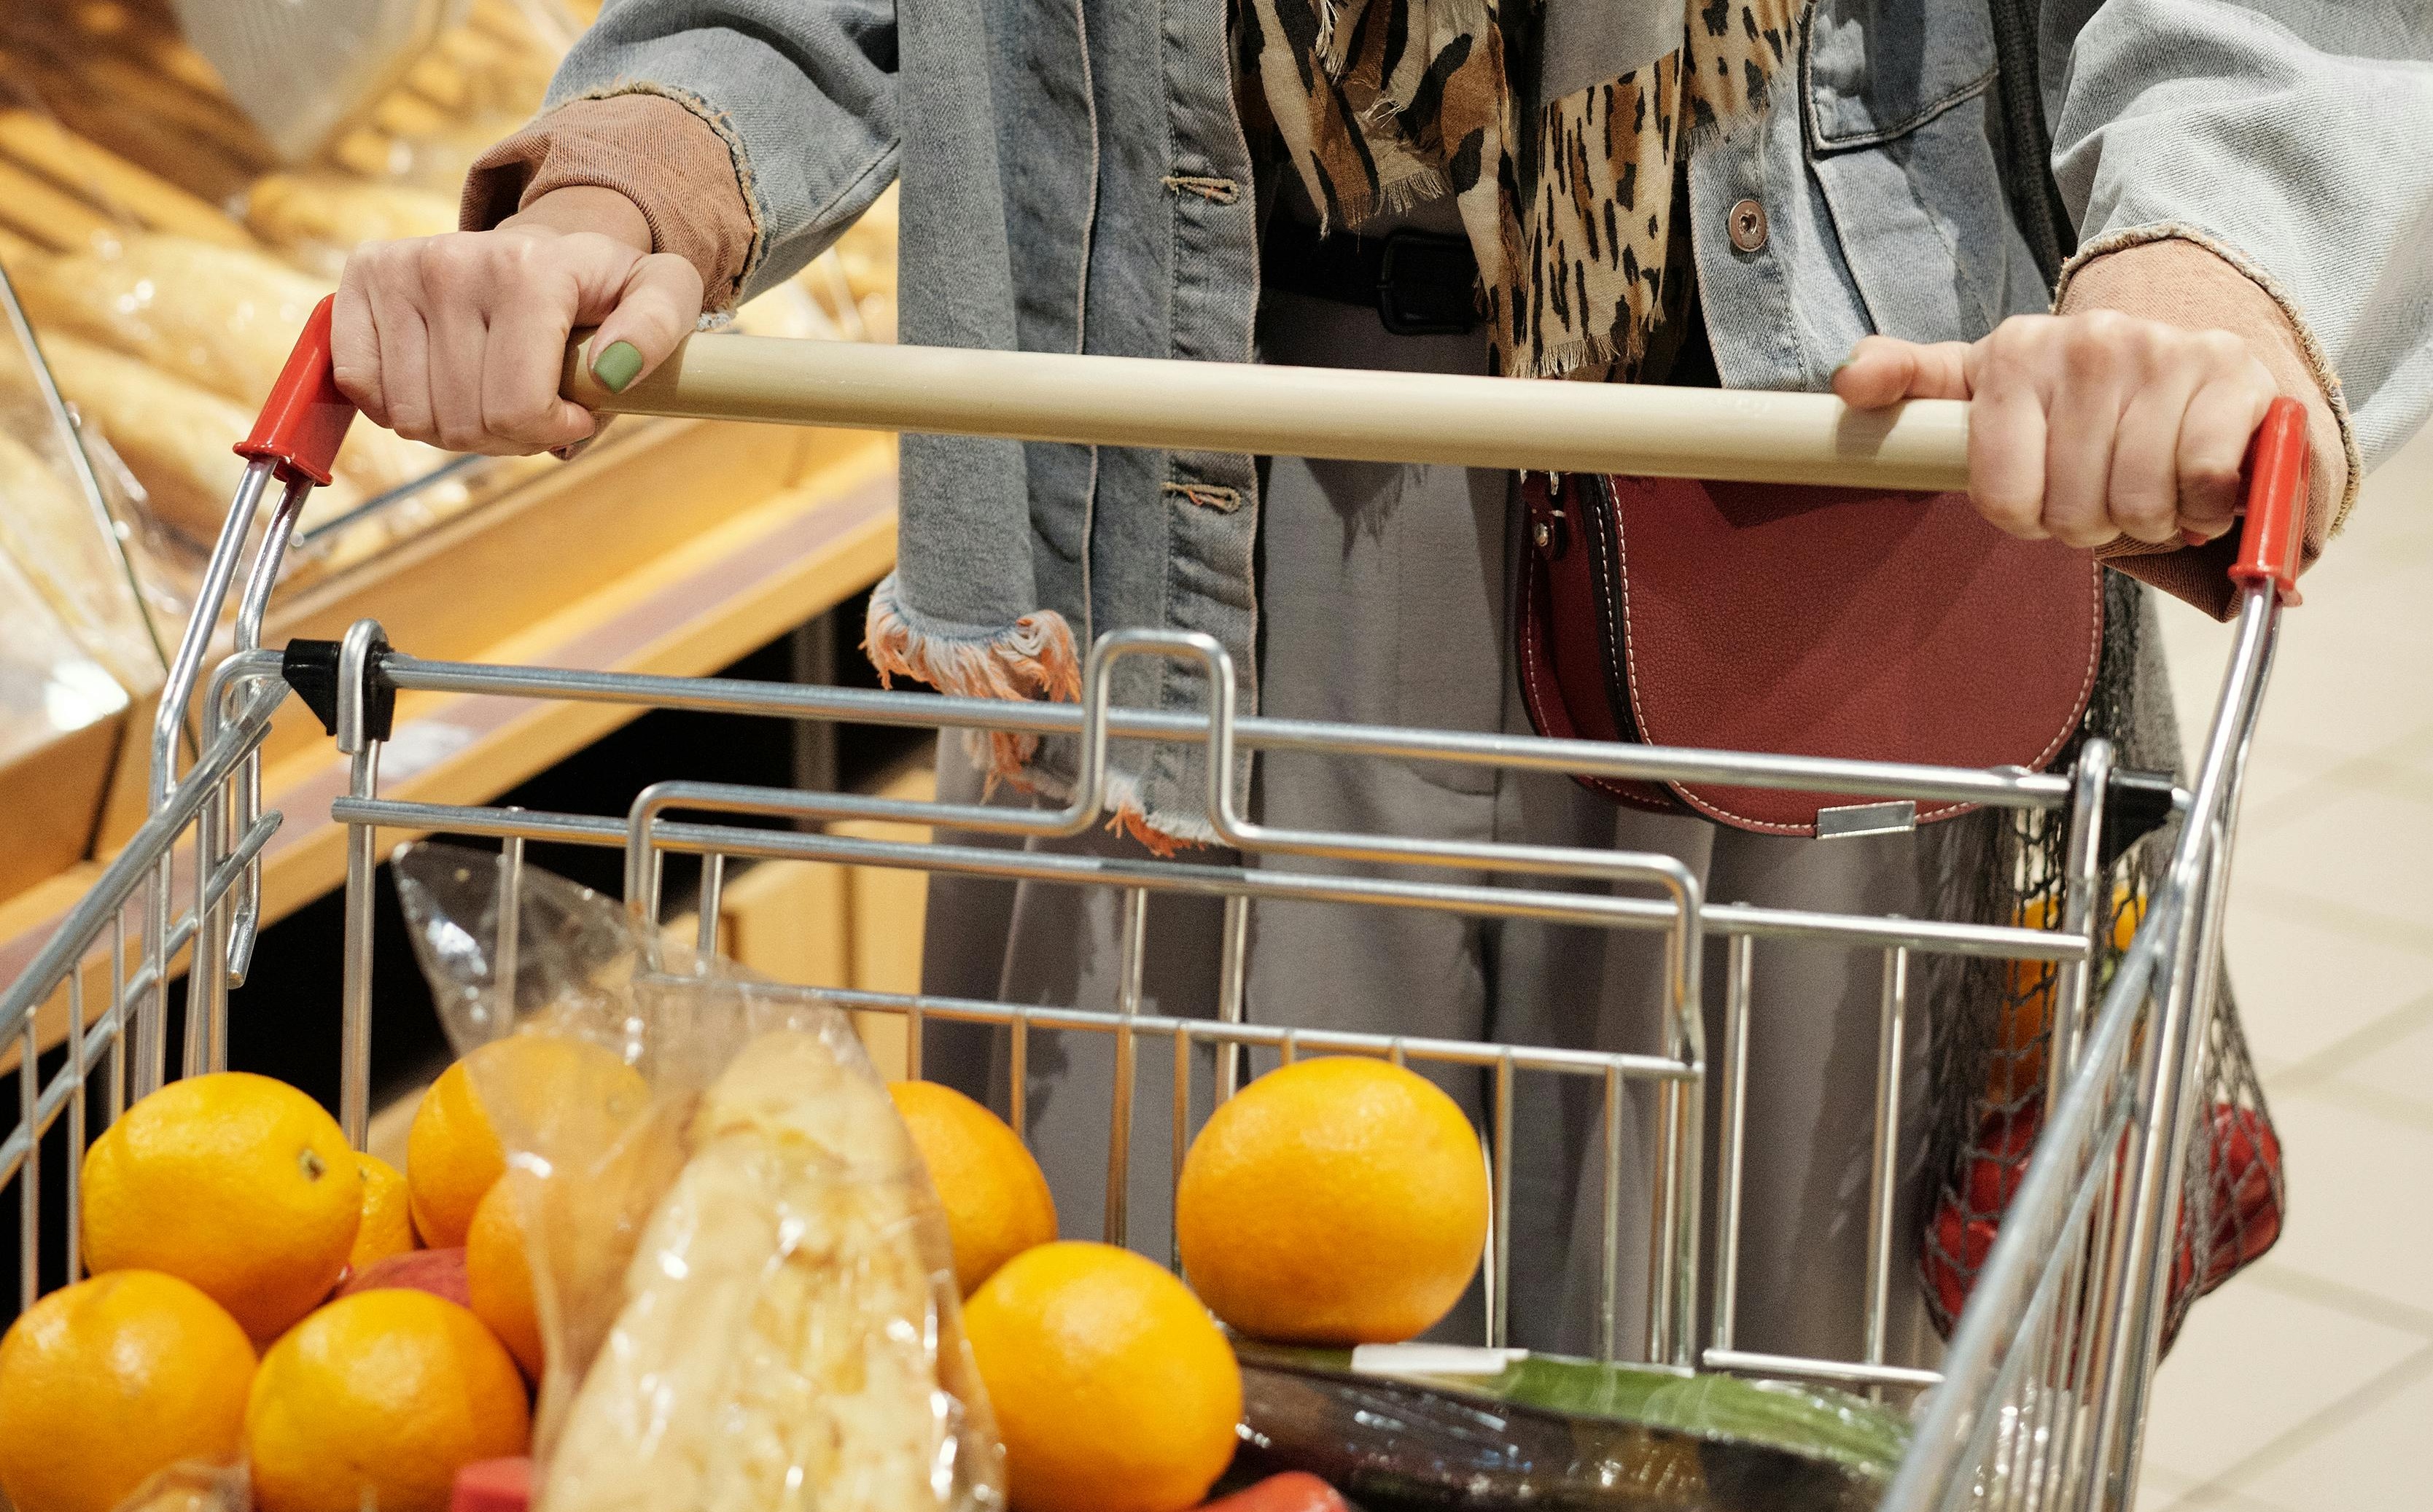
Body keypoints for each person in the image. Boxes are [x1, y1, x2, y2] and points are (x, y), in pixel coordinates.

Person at [331, 1, 2433, 1366]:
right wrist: (633, 179)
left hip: (1812, 510)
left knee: (1770, 1393)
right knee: (1167, 1378)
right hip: (1166, 508)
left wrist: (2208, 273)